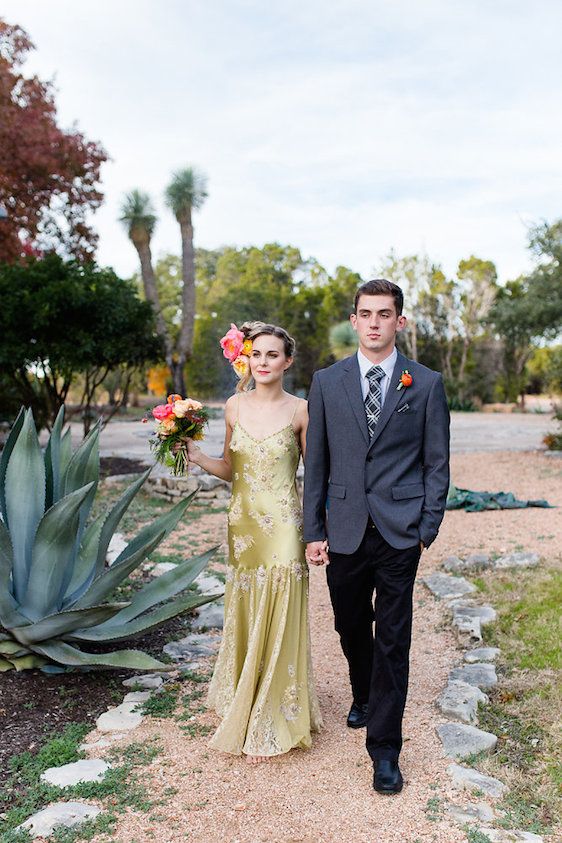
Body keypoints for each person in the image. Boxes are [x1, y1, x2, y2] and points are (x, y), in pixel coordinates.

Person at [303, 279, 450, 794]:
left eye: (384, 314)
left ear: (399, 321)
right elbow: (315, 462)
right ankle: (362, 691)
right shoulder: (326, 382)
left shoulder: (425, 383)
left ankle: (385, 750)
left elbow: (437, 463)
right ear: (354, 319)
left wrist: (425, 529)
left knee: (393, 638)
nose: (373, 323)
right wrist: (313, 529)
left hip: (399, 532)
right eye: (365, 314)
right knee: (348, 622)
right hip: (342, 527)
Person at [187, 321, 322, 763]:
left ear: (287, 361)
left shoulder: (302, 410)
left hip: (284, 525)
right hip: (243, 525)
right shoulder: (232, 406)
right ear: (247, 358)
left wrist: (319, 532)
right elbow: (231, 468)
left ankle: (276, 707)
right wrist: (197, 456)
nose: (263, 362)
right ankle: (244, 694)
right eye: (257, 354)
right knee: (246, 605)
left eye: (272, 355)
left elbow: (318, 476)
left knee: (281, 603)